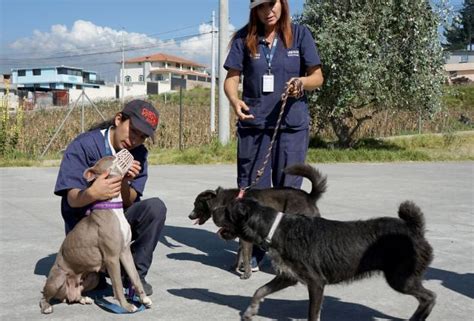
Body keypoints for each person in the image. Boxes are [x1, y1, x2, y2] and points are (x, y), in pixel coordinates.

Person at [224, 0, 323, 271]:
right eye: (261, 6)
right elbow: (231, 77)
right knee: (253, 192)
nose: (269, 11)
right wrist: (234, 100)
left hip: (291, 126)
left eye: (273, 3)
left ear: (283, 4)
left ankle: (287, 253)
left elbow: (317, 77)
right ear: (254, 10)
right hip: (254, 127)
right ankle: (252, 252)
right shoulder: (244, 38)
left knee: (288, 192)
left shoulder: (300, 34)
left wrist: (301, 82)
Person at [54, 99, 167, 296]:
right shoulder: (85, 145)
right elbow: (71, 199)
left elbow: (130, 200)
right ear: (118, 119)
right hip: (87, 228)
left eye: (142, 137)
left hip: (115, 224)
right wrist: (93, 193)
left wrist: (123, 179)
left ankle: (134, 277)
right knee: (91, 283)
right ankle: (96, 267)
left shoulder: (138, 153)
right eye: (133, 130)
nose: (134, 140)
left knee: (155, 208)